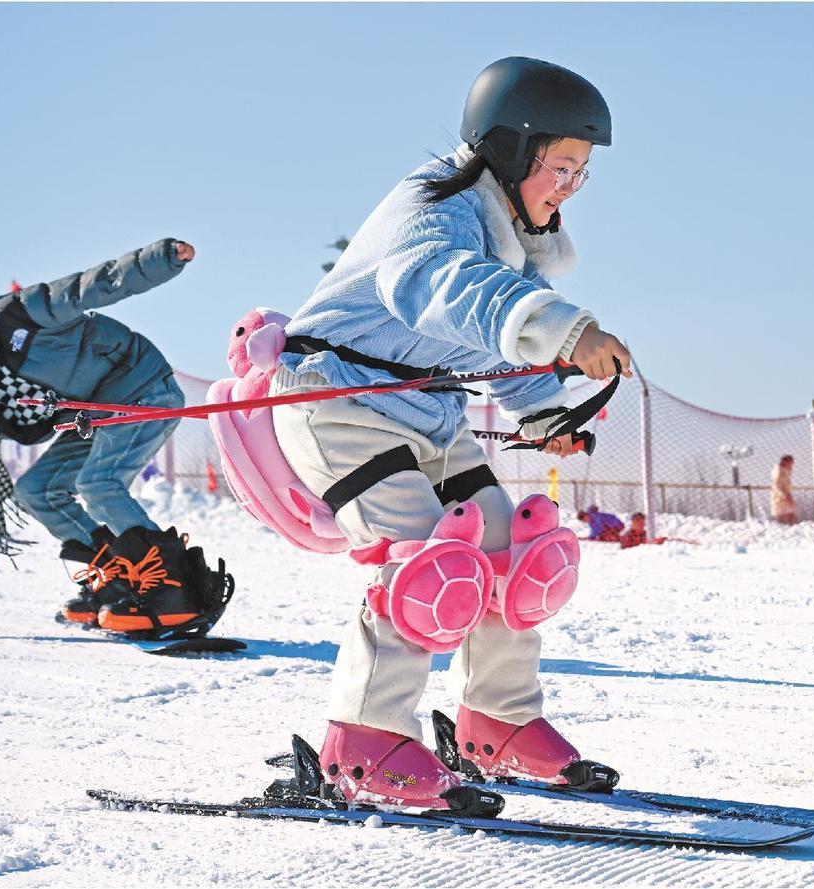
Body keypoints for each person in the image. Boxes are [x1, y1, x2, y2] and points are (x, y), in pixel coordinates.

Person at [269, 57, 631, 808]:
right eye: (562, 165)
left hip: (423, 408)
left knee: (509, 553)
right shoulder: (434, 213)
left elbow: (492, 337)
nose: (569, 187)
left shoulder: (507, 236)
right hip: (336, 400)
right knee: (426, 566)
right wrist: (567, 330)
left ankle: (494, 721)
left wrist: (545, 409)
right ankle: (363, 743)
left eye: (580, 173)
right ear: (511, 146)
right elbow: (453, 293)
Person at [0, 239, 222, 636]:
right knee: (36, 490)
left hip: (140, 386)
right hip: (91, 414)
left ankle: (174, 588)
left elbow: (90, 285)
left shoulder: (14, 316)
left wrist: (161, 260)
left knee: (98, 483)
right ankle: (117, 577)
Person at [770, 455, 796, 525]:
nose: (791, 465)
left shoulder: (785, 471)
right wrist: (786, 496)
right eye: (790, 463)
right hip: (781, 498)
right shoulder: (779, 471)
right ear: (785, 462)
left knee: (791, 516)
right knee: (785, 518)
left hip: (784, 496)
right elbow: (778, 485)